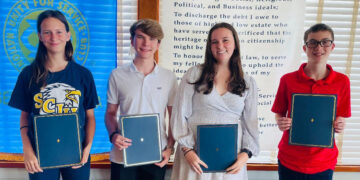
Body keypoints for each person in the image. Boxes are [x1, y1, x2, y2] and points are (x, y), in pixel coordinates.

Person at [8, 10, 98, 180]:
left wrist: (87, 148)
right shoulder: (28, 74)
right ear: (40, 37)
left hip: (77, 154)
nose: (53, 37)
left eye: (59, 32)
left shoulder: (83, 75)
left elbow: (90, 117)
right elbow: (24, 117)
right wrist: (27, 151)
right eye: (47, 32)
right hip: (41, 154)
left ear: (68, 35)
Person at [170, 22, 259, 180]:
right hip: (195, 156)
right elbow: (179, 114)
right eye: (214, 42)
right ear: (209, 47)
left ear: (235, 44)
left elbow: (250, 123)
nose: (220, 46)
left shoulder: (248, 82)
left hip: (231, 158)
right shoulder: (194, 74)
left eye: (225, 40)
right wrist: (187, 150)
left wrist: (245, 154)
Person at [272, 23, 351, 180]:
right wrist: (281, 122)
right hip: (290, 159)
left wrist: (340, 124)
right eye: (313, 42)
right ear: (305, 48)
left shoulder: (342, 81)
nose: (319, 47)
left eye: (325, 42)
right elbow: (279, 112)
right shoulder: (288, 80)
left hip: (324, 161)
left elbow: (341, 115)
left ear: (332, 46)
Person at [105, 19, 178, 180]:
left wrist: (170, 148)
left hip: (156, 154)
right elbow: (110, 113)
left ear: (158, 44)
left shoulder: (169, 77)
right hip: (123, 155)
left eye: (152, 39)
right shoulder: (117, 75)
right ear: (132, 40)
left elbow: (174, 117)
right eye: (140, 37)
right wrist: (113, 135)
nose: (146, 43)